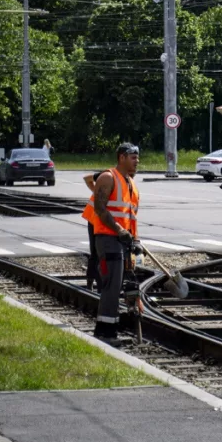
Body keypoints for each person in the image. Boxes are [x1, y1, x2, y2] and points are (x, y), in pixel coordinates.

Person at [80, 143, 140, 345]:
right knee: (110, 287)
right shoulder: (108, 178)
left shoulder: (131, 184)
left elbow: (130, 217)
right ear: (121, 157)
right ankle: (105, 334)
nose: (137, 161)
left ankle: (110, 331)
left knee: (116, 287)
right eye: (133, 157)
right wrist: (120, 231)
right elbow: (100, 209)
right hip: (107, 239)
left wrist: (135, 239)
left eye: (137, 157)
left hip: (121, 240)